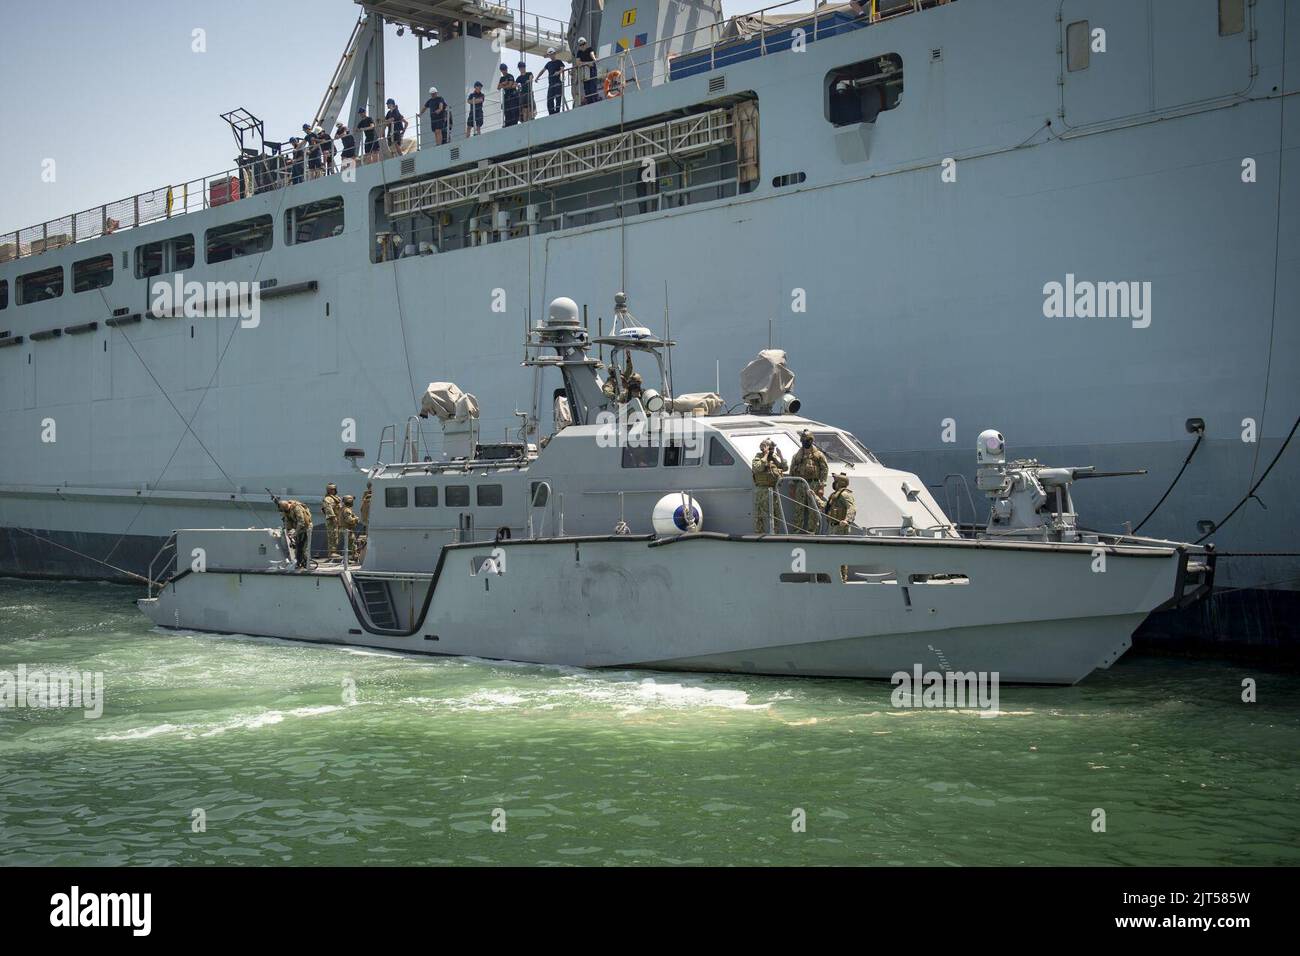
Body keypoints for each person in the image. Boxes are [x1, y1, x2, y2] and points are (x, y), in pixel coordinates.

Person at [789, 429, 829, 534]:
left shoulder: (818, 455)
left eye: (806, 440)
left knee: (813, 509)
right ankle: (797, 531)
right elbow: (792, 470)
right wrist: (792, 486)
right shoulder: (797, 456)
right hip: (800, 484)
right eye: (803, 441)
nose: (804, 443)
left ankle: (812, 531)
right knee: (798, 508)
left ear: (811, 441)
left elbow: (824, 470)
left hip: (813, 484)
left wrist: (821, 486)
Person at [751, 439, 787, 533]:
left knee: (775, 514)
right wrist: (765, 455)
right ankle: (759, 533)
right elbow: (758, 467)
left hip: (773, 489)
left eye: (773, 449)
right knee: (760, 514)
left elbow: (784, 467)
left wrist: (781, 456)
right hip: (762, 490)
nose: (772, 451)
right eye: (770, 448)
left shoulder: (773, 458)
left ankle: (775, 533)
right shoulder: (758, 457)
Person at [278, 498, 314, 569]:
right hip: (297, 529)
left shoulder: (296, 508)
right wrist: (287, 531)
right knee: (297, 548)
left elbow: (301, 522)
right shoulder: (287, 510)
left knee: (303, 548)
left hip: (305, 529)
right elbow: (287, 521)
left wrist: (295, 533)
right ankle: (299, 563)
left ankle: (306, 564)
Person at [321, 483, 343, 559]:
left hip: (338, 519)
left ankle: (334, 551)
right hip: (331, 521)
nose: (333, 490)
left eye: (334, 489)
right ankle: (332, 552)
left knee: (336, 536)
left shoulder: (336, 498)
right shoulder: (327, 499)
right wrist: (334, 518)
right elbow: (329, 509)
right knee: (332, 536)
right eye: (331, 489)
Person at [575, 37, 599, 105]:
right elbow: (578, 63)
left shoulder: (590, 49)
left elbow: (592, 55)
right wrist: (587, 63)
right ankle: (589, 102)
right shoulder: (579, 52)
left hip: (592, 70)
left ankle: (594, 101)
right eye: (580, 45)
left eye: (583, 44)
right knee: (587, 88)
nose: (582, 46)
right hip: (585, 71)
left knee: (593, 86)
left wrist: (594, 59)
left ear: (586, 44)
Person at [341, 494, 363, 563]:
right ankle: (349, 559)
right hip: (347, 529)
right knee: (351, 544)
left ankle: (349, 558)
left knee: (350, 544)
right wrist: (356, 519)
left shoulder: (344, 509)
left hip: (346, 529)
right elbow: (349, 520)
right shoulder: (347, 510)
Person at [543, 48, 565, 114]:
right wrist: (537, 77)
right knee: (550, 99)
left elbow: (562, 68)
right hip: (551, 83)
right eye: (550, 55)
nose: (551, 56)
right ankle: (551, 113)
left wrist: (558, 72)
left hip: (557, 82)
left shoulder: (559, 62)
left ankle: (557, 112)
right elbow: (543, 70)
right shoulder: (548, 64)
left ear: (554, 54)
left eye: (552, 54)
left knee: (558, 98)